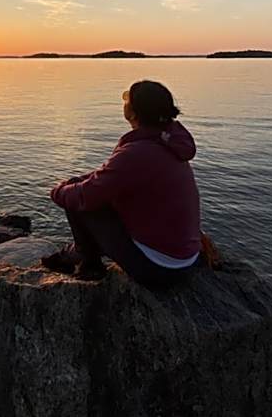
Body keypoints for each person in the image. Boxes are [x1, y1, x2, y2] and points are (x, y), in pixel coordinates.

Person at [42, 80, 203, 286]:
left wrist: (57, 191)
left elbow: (85, 196)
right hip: (186, 259)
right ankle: (78, 252)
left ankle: (89, 263)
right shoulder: (168, 143)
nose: (124, 101)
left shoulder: (136, 153)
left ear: (134, 112)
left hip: (159, 270)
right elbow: (113, 176)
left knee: (80, 201)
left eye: (127, 98)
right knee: (84, 188)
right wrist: (79, 182)